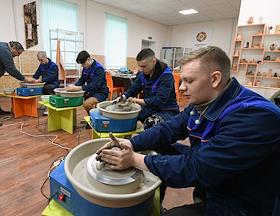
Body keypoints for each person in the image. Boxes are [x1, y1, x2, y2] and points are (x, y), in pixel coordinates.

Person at [97, 46, 280, 215]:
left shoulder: (254, 116)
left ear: (215, 79)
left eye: (188, 81)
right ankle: (152, 201)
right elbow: (170, 128)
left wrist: (135, 159)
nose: (181, 87)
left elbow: (199, 168)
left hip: (241, 200)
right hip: (216, 176)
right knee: (157, 146)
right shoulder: (202, 103)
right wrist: (131, 142)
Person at [117, 48, 179, 129]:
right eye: (140, 66)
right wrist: (123, 97)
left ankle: (145, 139)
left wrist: (135, 100)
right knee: (127, 117)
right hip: (150, 108)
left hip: (166, 110)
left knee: (151, 123)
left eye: (144, 66)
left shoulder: (166, 75)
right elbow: (134, 89)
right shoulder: (143, 74)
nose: (141, 69)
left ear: (154, 61)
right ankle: (127, 141)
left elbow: (160, 100)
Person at [66, 51, 108, 127]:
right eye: (81, 64)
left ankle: (93, 120)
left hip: (100, 92)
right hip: (91, 91)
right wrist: (73, 86)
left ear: (89, 59)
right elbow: (82, 80)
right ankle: (92, 118)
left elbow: (95, 86)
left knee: (87, 104)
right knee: (74, 98)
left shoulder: (99, 68)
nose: (82, 66)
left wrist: (77, 88)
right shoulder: (85, 68)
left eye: (83, 64)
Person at [0, 41, 34, 115]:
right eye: (18, 53)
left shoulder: (3, 47)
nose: (18, 56)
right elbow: (11, 69)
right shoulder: (4, 50)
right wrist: (25, 79)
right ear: (14, 48)